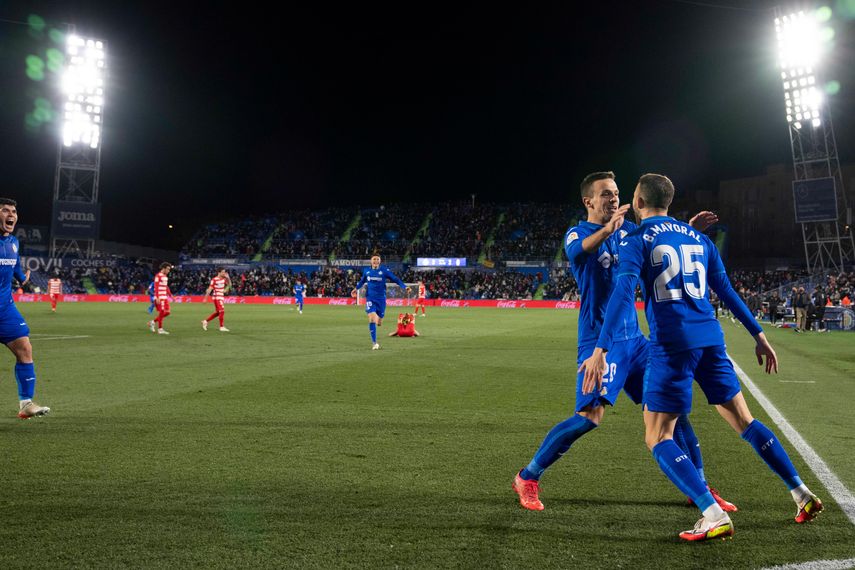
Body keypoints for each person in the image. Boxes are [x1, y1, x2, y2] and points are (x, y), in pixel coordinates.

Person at [580, 173, 822, 542]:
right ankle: (801, 493)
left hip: (673, 346)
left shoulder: (636, 239)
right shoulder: (699, 238)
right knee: (745, 420)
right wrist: (759, 335)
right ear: (669, 202)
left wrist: (599, 350)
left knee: (658, 436)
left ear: (640, 203)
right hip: (711, 340)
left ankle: (712, 514)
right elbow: (726, 291)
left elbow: (622, 294)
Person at [513, 171, 733, 513]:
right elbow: (580, 251)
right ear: (589, 201)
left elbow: (664, 241)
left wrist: (688, 228)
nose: (614, 199)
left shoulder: (632, 231)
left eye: (616, 193)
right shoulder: (579, 232)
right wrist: (607, 230)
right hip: (600, 342)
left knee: (672, 411)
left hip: (638, 341)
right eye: (605, 194)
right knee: (589, 417)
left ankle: (699, 488)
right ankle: (528, 476)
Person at [0, 198, 50, 419]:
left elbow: (15, 264)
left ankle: (26, 403)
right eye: (4, 210)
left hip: (5, 308)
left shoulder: (13, 242)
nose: (11, 214)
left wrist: (23, 279)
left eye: (13, 211)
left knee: (25, 349)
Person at [351, 254, 408, 350]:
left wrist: (404, 286)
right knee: (372, 319)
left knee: (379, 322)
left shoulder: (384, 270)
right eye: (374, 259)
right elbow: (362, 281)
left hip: (381, 299)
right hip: (370, 298)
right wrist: (355, 289)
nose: (375, 260)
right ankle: (374, 343)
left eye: (377, 259)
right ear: (371, 261)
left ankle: (380, 317)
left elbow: (395, 279)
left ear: (380, 261)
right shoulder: (366, 271)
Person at [201, 267, 230, 332]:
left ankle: (205, 321)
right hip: (217, 297)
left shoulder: (224, 279)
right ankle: (221, 327)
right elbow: (209, 289)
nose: (224, 273)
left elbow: (229, 285)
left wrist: (226, 288)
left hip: (221, 296)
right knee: (222, 311)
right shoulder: (214, 279)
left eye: (224, 272)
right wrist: (205, 298)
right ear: (219, 272)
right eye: (223, 272)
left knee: (218, 312)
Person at [148, 262, 173, 335]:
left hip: (164, 297)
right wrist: (157, 297)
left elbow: (166, 286)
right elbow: (156, 287)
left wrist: (170, 295)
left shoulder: (165, 277)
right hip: (160, 297)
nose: (169, 271)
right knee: (161, 312)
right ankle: (160, 329)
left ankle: (152, 322)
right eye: (168, 269)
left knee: (167, 312)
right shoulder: (158, 276)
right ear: (163, 268)